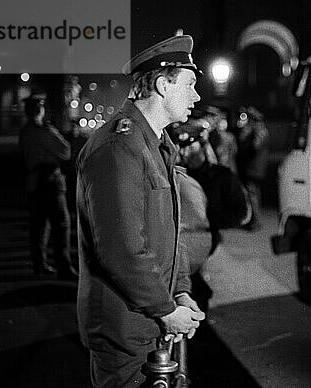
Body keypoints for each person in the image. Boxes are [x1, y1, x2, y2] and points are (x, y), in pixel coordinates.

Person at [75, 34, 206, 387]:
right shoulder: (119, 147)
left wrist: (179, 293)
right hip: (125, 328)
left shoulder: (155, 145)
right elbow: (121, 250)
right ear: (163, 85)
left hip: (150, 318)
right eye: (190, 84)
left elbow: (171, 236)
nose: (196, 96)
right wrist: (166, 310)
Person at [170, 121, 251, 312]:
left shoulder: (222, 176)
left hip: (203, 244)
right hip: (176, 245)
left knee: (197, 294)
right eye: (180, 147)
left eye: (190, 146)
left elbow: (242, 214)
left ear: (203, 144)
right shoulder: (175, 176)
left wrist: (206, 220)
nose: (184, 153)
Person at [18, 94, 78, 279]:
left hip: (34, 182)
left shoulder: (26, 131)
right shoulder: (42, 130)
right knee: (61, 225)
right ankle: (64, 267)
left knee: (39, 225)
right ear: (40, 109)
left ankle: (39, 264)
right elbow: (65, 151)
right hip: (50, 181)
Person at [235, 106, 269, 230]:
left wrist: (246, 135)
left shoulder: (259, 131)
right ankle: (254, 220)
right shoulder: (260, 130)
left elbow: (254, 147)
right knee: (253, 194)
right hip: (254, 168)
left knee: (252, 195)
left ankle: (255, 221)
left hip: (253, 169)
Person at [204, 105, 238, 173]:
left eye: (213, 116)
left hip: (221, 171)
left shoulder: (227, 137)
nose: (208, 119)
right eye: (207, 115)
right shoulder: (202, 134)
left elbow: (231, 157)